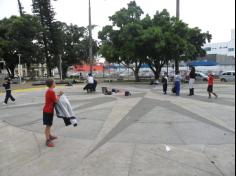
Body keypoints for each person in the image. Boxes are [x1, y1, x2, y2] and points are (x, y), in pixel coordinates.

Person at [43, 79, 63, 147]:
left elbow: (53, 98)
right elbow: (56, 101)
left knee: (49, 124)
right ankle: (47, 140)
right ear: (52, 84)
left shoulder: (50, 91)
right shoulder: (51, 91)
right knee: (48, 126)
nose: (55, 83)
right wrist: (60, 95)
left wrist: (58, 95)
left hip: (49, 110)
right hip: (47, 111)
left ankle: (49, 135)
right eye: (54, 82)